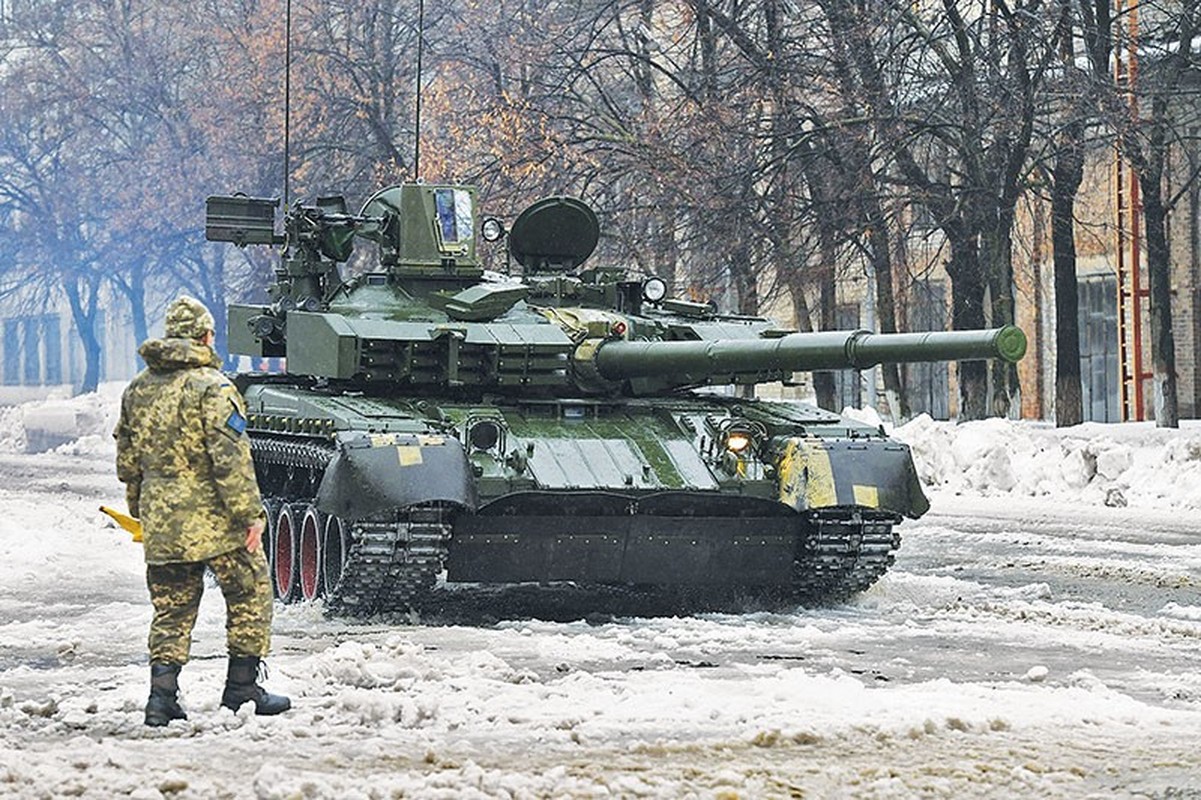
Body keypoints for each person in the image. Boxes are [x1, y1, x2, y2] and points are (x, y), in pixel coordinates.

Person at [113, 295, 290, 726]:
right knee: (249, 594)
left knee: (171, 608)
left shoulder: (137, 389)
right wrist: (251, 515)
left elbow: (127, 460)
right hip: (218, 523)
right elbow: (230, 459)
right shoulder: (214, 387)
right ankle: (242, 688)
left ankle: (161, 698)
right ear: (205, 336)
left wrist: (142, 510)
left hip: (163, 522)